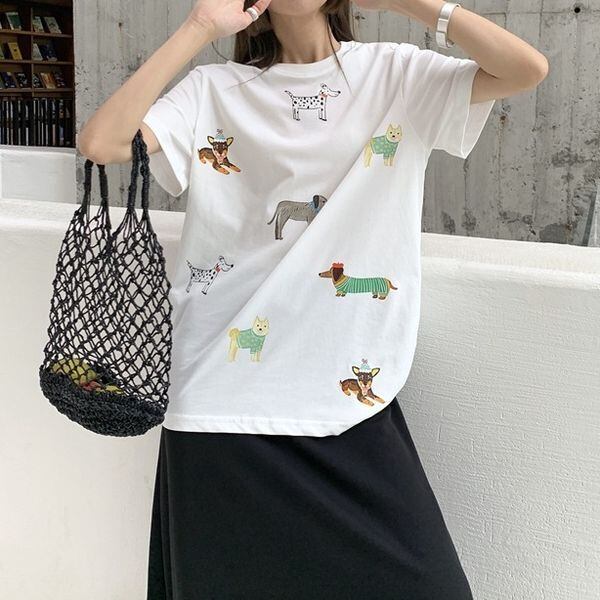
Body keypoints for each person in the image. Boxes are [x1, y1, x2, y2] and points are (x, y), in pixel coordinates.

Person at [78, 1, 548, 597]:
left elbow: (526, 69)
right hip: (222, 403)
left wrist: (406, 3)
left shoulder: (396, 75)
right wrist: (200, 27)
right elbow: (101, 142)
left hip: (348, 400)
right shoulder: (214, 89)